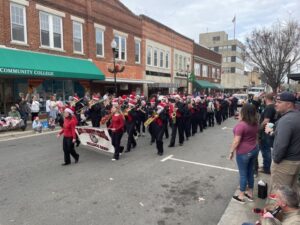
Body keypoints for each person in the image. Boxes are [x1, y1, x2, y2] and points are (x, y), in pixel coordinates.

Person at [265, 92, 300, 195]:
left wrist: (276, 160)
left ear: (289, 104)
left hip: (285, 163)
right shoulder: (297, 115)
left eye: (279, 102)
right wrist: (272, 133)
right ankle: (290, 210)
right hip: (296, 161)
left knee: (279, 195)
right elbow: (291, 136)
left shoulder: (286, 120)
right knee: (291, 193)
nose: (276, 104)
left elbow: (282, 145)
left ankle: (278, 211)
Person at [229, 103, 259, 204]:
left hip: (244, 151)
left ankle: (241, 195)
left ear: (244, 112)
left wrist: (231, 152)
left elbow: (236, 141)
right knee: (250, 171)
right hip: (254, 148)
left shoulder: (241, 125)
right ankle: (250, 193)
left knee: (243, 173)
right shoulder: (255, 123)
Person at [258, 93, 276, 174]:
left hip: (266, 130)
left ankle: (266, 168)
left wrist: (258, 129)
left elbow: (266, 121)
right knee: (266, 149)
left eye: (263, 98)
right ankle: (266, 166)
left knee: (265, 149)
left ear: (266, 98)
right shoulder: (273, 106)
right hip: (269, 129)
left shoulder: (269, 107)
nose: (263, 99)